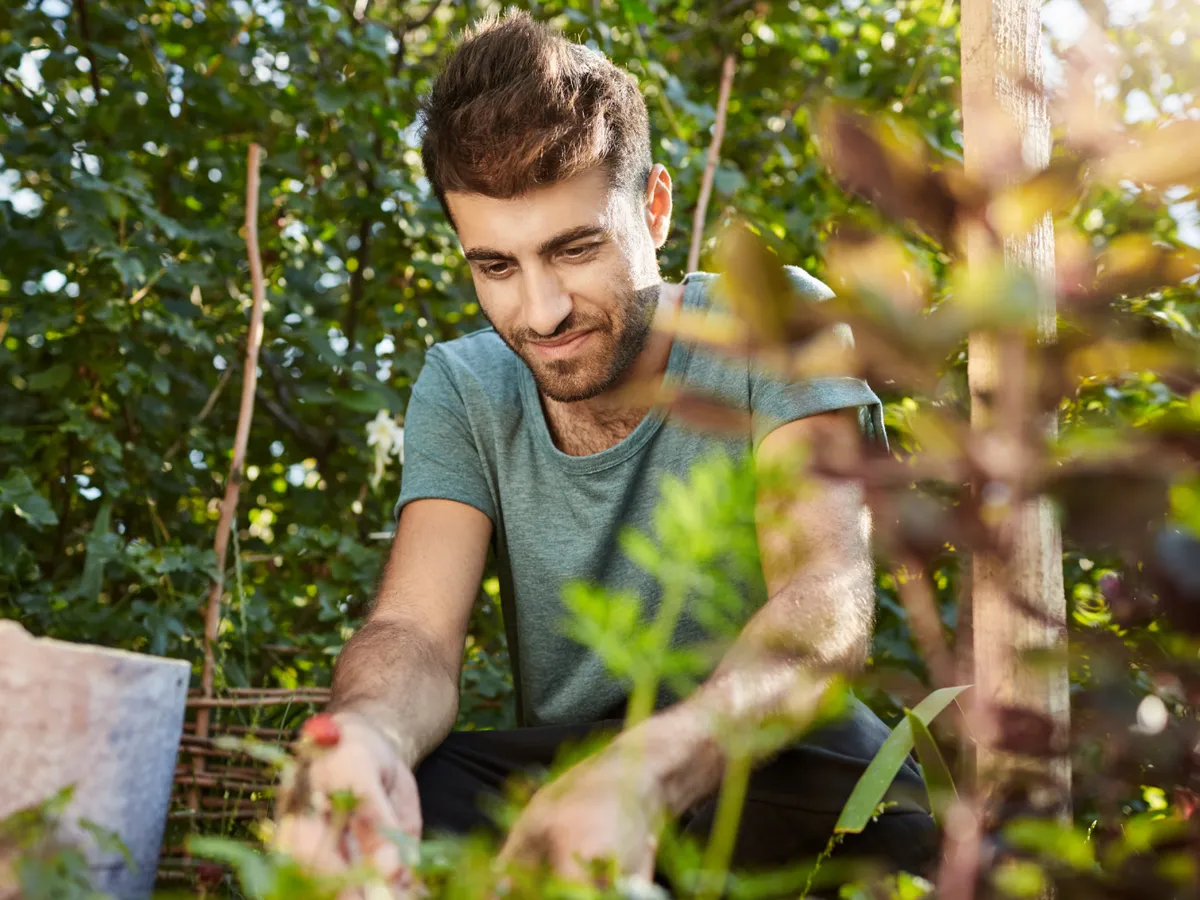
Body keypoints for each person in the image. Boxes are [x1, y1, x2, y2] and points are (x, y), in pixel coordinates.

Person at [277, 9, 937, 892]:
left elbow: (825, 600)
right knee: (396, 801)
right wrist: (362, 732)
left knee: (861, 781)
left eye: (575, 248)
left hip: (750, 750)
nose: (540, 313)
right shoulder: (464, 386)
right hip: (565, 772)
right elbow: (413, 635)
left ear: (653, 207)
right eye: (496, 267)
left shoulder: (774, 319)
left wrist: (647, 771)